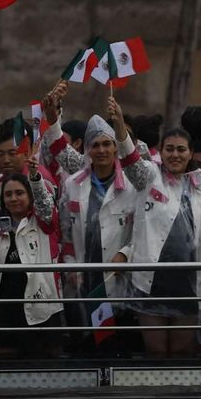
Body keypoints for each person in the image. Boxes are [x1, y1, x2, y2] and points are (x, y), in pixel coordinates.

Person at [113, 96, 201, 357]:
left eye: (181, 149)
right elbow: (130, 160)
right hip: (150, 279)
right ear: (161, 151)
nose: (175, 154)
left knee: (181, 350)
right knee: (155, 351)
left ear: (190, 153)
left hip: (188, 279)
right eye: (169, 149)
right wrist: (120, 127)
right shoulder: (149, 175)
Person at [57, 115, 137, 356]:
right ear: (87, 150)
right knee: (87, 348)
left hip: (119, 278)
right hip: (84, 279)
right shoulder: (73, 184)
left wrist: (126, 254)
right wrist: (71, 267)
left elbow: (142, 233)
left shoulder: (133, 186)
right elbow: (66, 233)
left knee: (118, 346)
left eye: (107, 144)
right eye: (95, 145)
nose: (101, 150)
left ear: (116, 147)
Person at [0, 174, 64, 357]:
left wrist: (35, 179)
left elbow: (46, 206)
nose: (13, 198)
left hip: (40, 307)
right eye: (8, 194)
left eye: (19, 193)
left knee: (41, 363)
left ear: (30, 196)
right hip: (4, 308)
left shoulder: (43, 222)